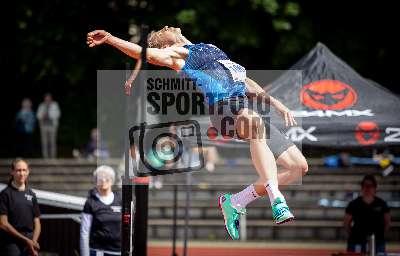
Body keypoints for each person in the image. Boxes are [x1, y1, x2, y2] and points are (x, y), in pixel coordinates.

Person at [86, 26, 308, 240]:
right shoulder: (179, 55)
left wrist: (277, 104)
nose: (167, 25)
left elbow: (244, 80)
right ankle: (276, 200)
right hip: (223, 110)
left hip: (245, 107)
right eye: (163, 30)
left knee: (298, 167)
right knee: (254, 124)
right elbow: (147, 54)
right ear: (165, 45)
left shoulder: (209, 48)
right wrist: (110, 39)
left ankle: (236, 202)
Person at [0, 158, 41, 256]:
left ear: (28, 172)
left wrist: (33, 242)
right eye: (18, 170)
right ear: (12, 172)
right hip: (11, 243)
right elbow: (3, 224)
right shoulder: (5, 195)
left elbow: (37, 222)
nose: (21, 173)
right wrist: (26, 240)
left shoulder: (32, 194)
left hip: (30, 243)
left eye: (24, 170)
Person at [344, 175, 391, 254]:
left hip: (378, 242)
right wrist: (354, 235)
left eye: (370, 186)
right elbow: (346, 223)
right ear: (362, 187)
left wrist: (380, 235)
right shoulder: (354, 204)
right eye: (365, 186)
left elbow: (387, 223)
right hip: (356, 241)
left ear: (375, 187)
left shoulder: (382, 204)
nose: (368, 188)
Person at [80, 165, 122, 256]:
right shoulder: (90, 203)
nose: (103, 180)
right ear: (95, 182)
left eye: (107, 177)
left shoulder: (120, 199)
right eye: (100, 178)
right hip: (98, 252)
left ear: (112, 180)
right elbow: (84, 232)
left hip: (119, 251)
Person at [36, 93, 61, 158]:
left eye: (48, 98)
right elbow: (38, 115)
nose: (47, 99)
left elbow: (58, 114)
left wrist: (49, 115)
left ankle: (53, 157)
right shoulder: (41, 105)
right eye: (46, 98)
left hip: (52, 126)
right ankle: (45, 157)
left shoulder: (55, 105)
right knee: (44, 142)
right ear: (44, 99)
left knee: (52, 142)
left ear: (51, 98)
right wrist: (42, 115)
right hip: (43, 126)